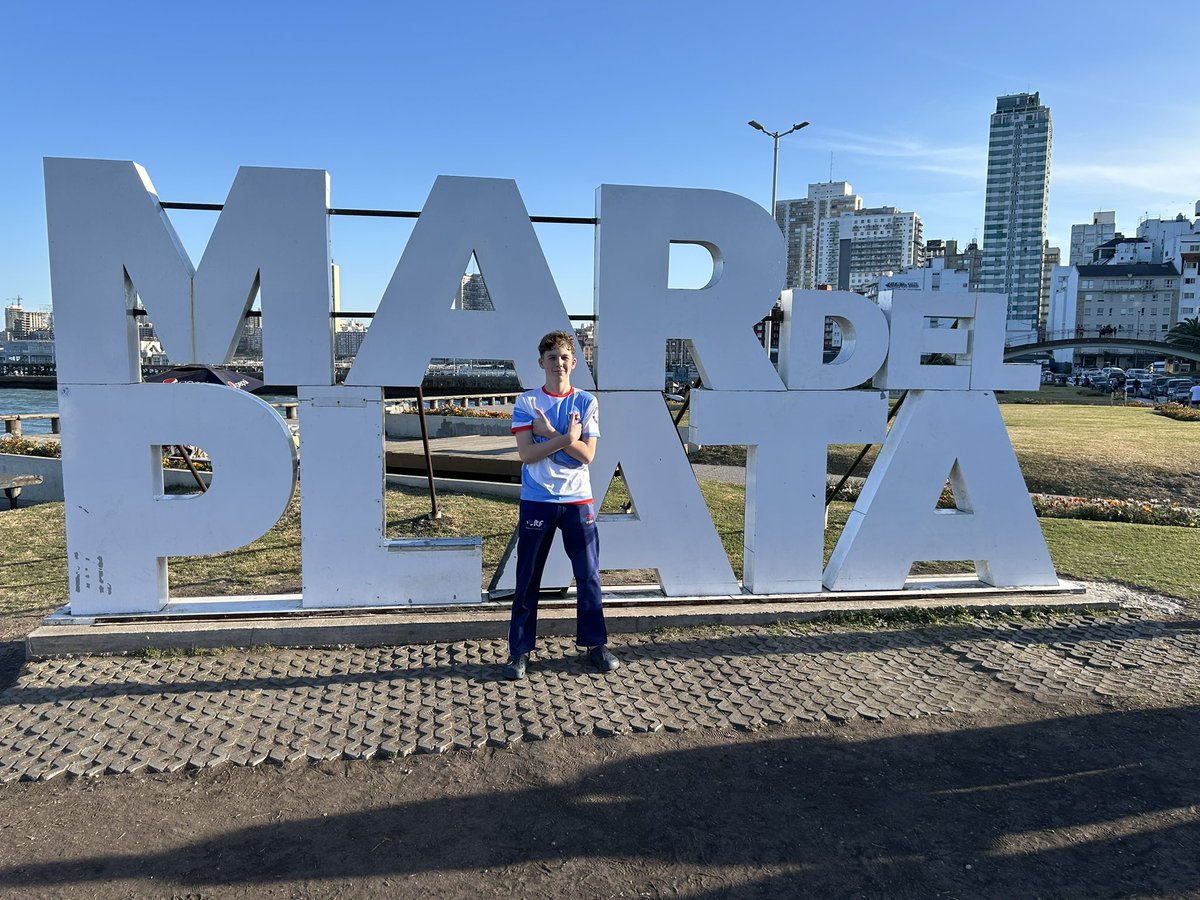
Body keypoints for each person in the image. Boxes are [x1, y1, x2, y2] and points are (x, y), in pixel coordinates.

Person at [502, 331, 618, 680]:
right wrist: (566, 438)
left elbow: (587, 455)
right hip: (537, 500)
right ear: (541, 363)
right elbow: (526, 454)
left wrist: (555, 435)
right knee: (527, 579)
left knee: (588, 575)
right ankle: (519, 652)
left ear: (574, 361)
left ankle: (595, 644)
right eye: (552, 357)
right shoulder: (527, 402)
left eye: (565, 356)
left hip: (577, 501)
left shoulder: (586, 401)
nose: (559, 363)